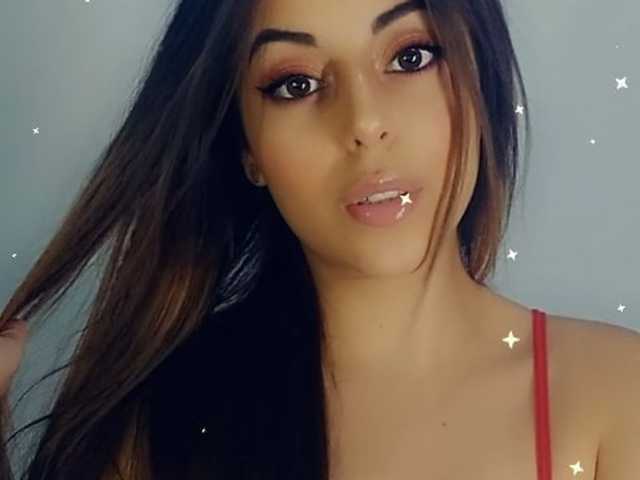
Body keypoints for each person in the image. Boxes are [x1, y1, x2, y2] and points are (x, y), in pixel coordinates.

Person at [1, 0, 639, 479]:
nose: (365, 122)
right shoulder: (156, 429)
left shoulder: (616, 395)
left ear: (481, 77)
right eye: (296, 84)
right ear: (247, 148)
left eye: (411, 57)